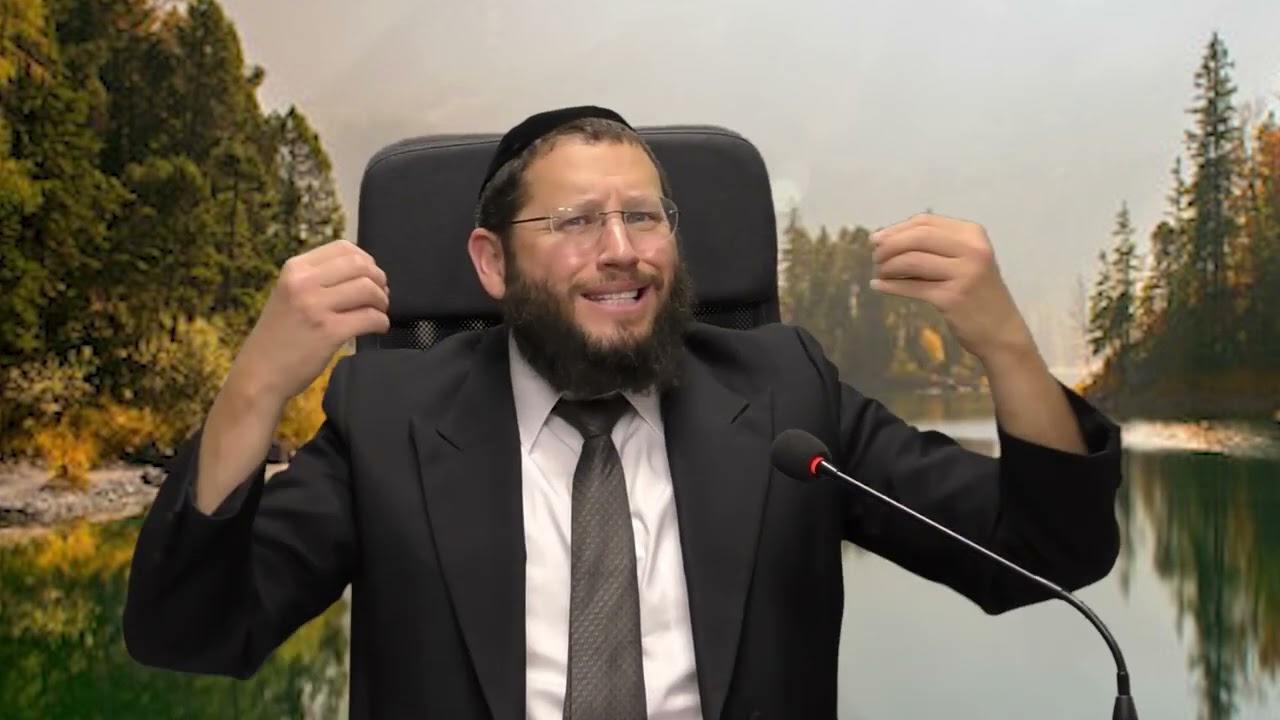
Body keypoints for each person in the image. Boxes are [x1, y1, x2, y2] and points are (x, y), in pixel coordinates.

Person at [123, 105, 1124, 720]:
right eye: (575, 222)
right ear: (490, 264)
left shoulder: (783, 391)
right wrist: (255, 387)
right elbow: (191, 631)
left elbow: (1040, 552)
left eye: (643, 216)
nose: (621, 248)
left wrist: (1004, 346)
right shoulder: (390, 413)